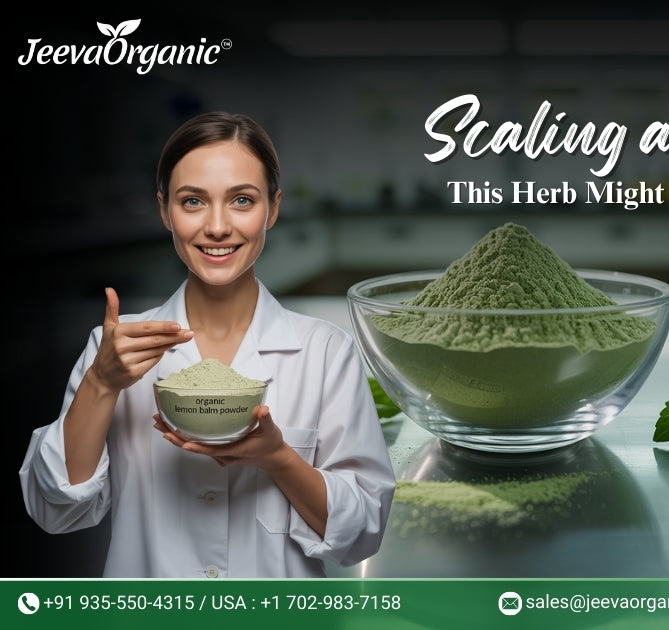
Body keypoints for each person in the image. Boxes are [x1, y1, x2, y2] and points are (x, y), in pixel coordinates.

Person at [19, 111, 395, 578]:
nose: (217, 227)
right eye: (193, 201)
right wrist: (101, 383)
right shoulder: (113, 350)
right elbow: (54, 509)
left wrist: (278, 458)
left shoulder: (325, 351)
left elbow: (362, 531)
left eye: (242, 200)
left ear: (273, 208)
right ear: (165, 210)